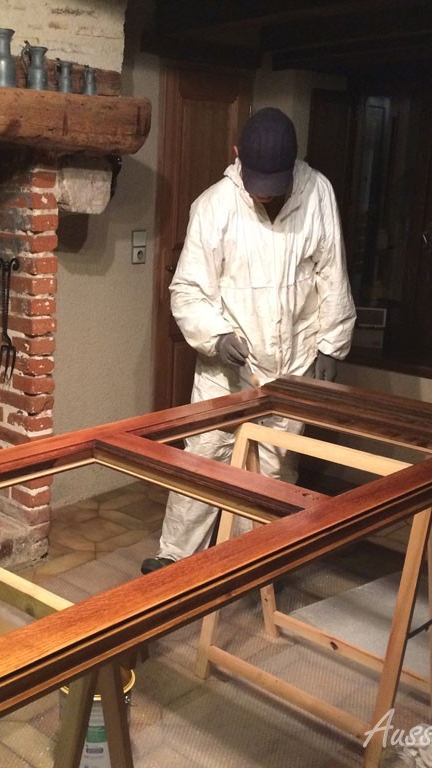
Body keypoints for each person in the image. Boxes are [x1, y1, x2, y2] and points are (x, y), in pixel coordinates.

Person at [141, 107, 356, 574]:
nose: (266, 194)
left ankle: (253, 559)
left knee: (274, 466)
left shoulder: (318, 193)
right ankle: (175, 556)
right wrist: (215, 339)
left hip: (294, 359)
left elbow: (331, 273)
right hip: (227, 365)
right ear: (237, 157)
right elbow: (187, 289)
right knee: (203, 455)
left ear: (295, 164)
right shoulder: (214, 206)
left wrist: (331, 345)